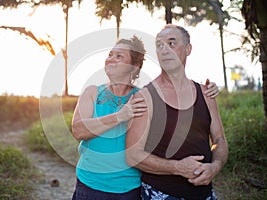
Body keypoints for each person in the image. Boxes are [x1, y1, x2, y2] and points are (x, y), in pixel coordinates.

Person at [71, 35, 220, 200]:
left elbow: (176, 96)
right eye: (110, 55)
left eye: (119, 56)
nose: (110, 59)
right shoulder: (92, 92)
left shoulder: (145, 97)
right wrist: (120, 116)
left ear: (134, 68)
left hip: (129, 189)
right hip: (89, 185)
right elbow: (78, 130)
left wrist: (207, 90)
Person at [126, 24, 228, 200]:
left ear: (188, 49)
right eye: (159, 45)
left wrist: (215, 166)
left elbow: (219, 139)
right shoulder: (146, 97)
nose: (164, 50)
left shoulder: (206, 94)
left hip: (205, 194)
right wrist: (177, 167)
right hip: (160, 193)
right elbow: (132, 155)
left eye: (171, 43)